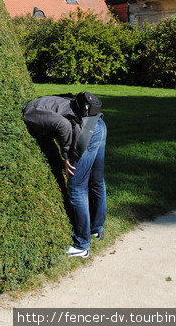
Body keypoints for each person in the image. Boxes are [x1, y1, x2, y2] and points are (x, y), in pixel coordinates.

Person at [22, 92, 107, 259]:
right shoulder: (48, 101)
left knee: (76, 188)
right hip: (100, 124)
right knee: (97, 181)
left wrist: (66, 155)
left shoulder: (29, 115)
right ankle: (97, 228)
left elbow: (62, 125)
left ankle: (82, 245)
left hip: (88, 132)